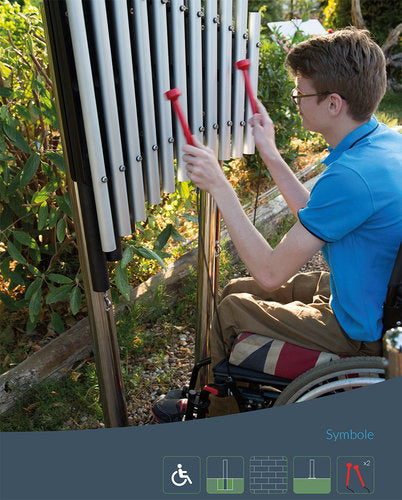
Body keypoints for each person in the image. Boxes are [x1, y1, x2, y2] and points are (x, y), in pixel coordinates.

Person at [153, 27, 402, 421]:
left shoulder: (353, 177)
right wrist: (270, 152)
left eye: (301, 94)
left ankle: (216, 416)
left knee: (232, 309)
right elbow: (318, 214)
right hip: (371, 294)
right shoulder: (382, 143)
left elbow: (270, 273)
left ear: (333, 103)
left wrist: (221, 186)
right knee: (236, 287)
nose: (296, 102)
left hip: (360, 330)